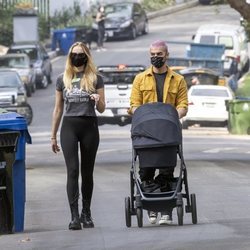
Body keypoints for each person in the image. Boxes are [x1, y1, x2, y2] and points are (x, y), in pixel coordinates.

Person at [129, 40, 188, 225]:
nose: (156, 57)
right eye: (153, 54)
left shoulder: (178, 79)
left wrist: (170, 117)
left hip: (168, 132)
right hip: (146, 132)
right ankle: (152, 208)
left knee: (166, 170)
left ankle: (166, 211)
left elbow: (183, 106)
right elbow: (134, 105)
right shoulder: (140, 79)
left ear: (167, 55)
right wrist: (141, 115)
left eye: (159, 54)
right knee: (146, 170)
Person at [51, 42, 105, 230]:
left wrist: (97, 101)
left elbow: (102, 108)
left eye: (81, 54)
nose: (77, 57)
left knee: (87, 172)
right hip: (69, 127)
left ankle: (86, 213)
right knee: (73, 171)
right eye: (74, 54)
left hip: (89, 125)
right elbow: (58, 109)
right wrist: (53, 136)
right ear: (69, 56)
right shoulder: (62, 78)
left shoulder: (96, 78)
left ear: (87, 56)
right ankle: (74, 216)